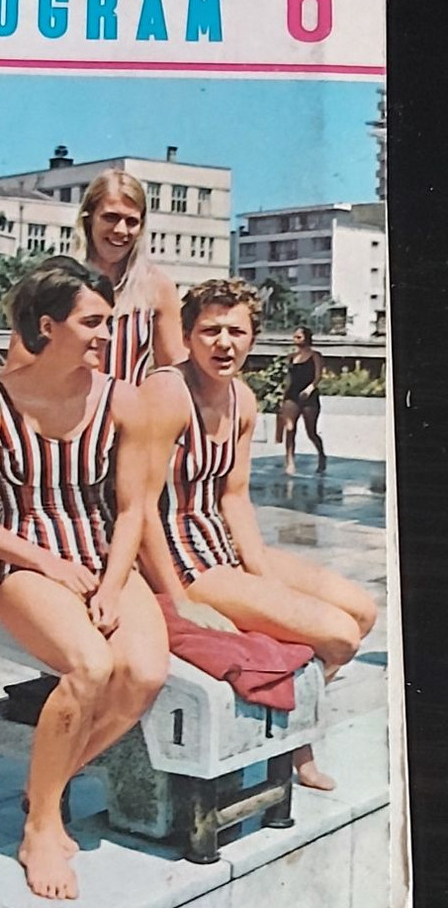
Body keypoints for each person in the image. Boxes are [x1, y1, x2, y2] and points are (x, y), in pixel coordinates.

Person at [0, 257, 168, 900]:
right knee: (91, 668)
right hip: (26, 562)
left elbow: (133, 508)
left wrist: (110, 583)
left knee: (146, 676)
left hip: (103, 558)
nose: (106, 335)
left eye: (109, 321)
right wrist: (49, 564)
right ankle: (42, 826)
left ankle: (41, 788)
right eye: (93, 322)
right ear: (49, 325)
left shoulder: (121, 398)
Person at [139, 278, 377, 791]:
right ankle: (290, 743)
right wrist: (177, 598)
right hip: (182, 562)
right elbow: (135, 507)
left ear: (253, 337)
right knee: (337, 635)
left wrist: (264, 576)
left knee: (362, 611)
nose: (223, 343)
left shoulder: (242, 399)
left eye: (236, 331)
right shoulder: (166, 391)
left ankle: (285, 732)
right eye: (209, 331)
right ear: (186, 335)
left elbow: (234, 498)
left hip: (218, 546)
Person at [4, 168, 186, 383]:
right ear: (89, 219)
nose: (121, 230)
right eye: (110, 217)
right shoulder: (54, 280)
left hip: (127, 412)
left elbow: (173, 371)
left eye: (131, 221)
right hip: (62, 413)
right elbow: (18, 367)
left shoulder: (156, 287)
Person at [280, 325, 326, 475]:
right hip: (292, 395)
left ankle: (321, 455)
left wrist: (309, 389)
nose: (295, 339)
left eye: (299, 336)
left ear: (307, 338)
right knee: (289, 428)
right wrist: (282, 396)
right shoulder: (291, 357)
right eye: (294, 336)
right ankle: (290, 461)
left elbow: (318, 376)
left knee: (310, 431)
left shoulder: (315, 355)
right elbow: (288, 378)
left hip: (309, 396)